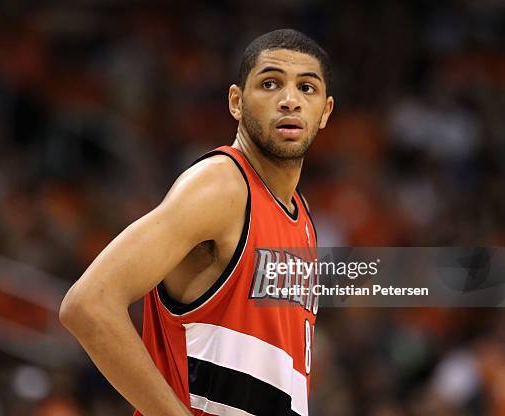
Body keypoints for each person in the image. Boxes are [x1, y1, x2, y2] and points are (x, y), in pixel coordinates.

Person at [59, 28, 334, 416]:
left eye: (307, 88)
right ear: (236, 102)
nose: (289, 100)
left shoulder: (302, 216)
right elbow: (87, 304)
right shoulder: (222, 186)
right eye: (270, 83)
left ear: (325, 112)